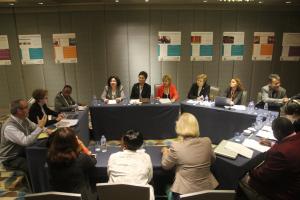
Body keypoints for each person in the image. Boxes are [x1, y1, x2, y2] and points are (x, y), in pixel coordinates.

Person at [237, 117, 300, 200]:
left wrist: (249, 169)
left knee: (241, 178)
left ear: (278, 132)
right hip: (293, 183)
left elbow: (263, 176)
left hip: (283, 193)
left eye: (273, 131)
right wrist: (272, 144)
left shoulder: (280, 153)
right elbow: (289, 147)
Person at [161, 113, 218, 200]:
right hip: (207, 191)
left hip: (183, 193)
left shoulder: (176, 146)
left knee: (166, 187)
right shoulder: (207, 141)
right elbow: (213, 160)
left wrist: (165, 152)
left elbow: (165, 166)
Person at [47, 127, 96, 200]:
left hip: (58, 197)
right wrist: (81, 144)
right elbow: (93, 161)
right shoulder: (80, 158)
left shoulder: (50, 158)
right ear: (74, 142)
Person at [0, 99, 47, 173]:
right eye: (26, 107)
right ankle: (35, 184)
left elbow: (34, 126)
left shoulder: (24, 118)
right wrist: (40, 128)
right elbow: (25, 141)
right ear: (19, 111)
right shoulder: (9, 127)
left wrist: (46, 130)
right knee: (34, 167)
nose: (28, 109)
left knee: (40, 156)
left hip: (21, 152)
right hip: (10, 159)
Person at [107, 130, 154, 200]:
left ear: (124, 144)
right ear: (141, 145)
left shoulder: (113, 157)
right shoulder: (146, 157)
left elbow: (109, 174)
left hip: (115, 196)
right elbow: (149, 178)